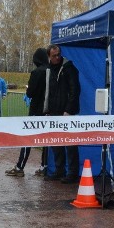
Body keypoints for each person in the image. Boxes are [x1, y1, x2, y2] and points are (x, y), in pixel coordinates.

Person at [6, 48, 49, 176]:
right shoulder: (51, 70)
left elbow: (30, 93)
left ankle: (20, 167)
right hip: (48, 110)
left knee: (27, 139)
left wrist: (29, 88)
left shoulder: (36, 72)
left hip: (36, 110)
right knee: (46, 140)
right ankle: (44, 166)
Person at [44, 44, 81, 184]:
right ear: (49, 56)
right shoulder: (49, 70)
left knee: (70, 144)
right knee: (56, 142)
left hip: (66, 112)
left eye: (58, 54)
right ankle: (60, 170)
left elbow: (75, 90)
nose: (57, 57)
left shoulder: (69, 68)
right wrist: (47, 110)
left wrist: (69, 110)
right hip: (54, 111)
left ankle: (72, 172)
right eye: (54, 55)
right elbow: (49, 92)